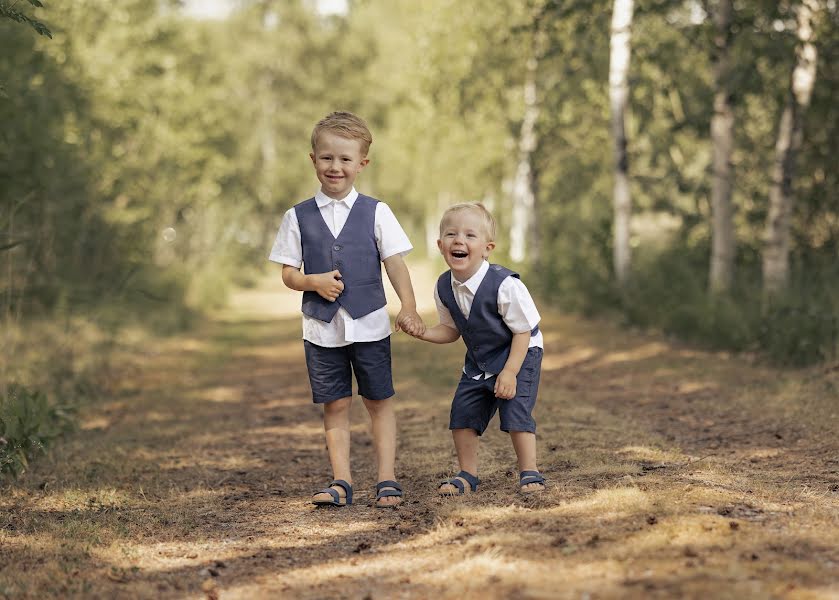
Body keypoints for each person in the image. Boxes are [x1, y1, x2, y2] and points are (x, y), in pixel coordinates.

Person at [268, 111, 425, 508]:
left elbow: (394, 263)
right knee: (335, 404)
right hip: (322, 329)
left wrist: (408, 305)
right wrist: (312, 282)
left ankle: (386, 477)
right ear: (313, 159)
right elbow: (288, 273)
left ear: (361, 164)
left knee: (378, 401)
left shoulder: (377, 212)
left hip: (370, 325)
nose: (335, 167)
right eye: (326, 158)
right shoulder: (297, 216)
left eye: (345, 159)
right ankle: (341, 481)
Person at [409, 202, 545, 495]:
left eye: (470, 235)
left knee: (515, 409)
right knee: (463, 412)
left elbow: (522, 331)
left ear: (487, 248)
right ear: (440, 245)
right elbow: (451, 330)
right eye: (451, 234)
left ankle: (530, 471)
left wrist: (509, 373)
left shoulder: (504, 284)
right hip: (480, 357)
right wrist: (423, 333)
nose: (459, 240)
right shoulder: (444, 286)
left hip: (520, 351)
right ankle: (467, 474)